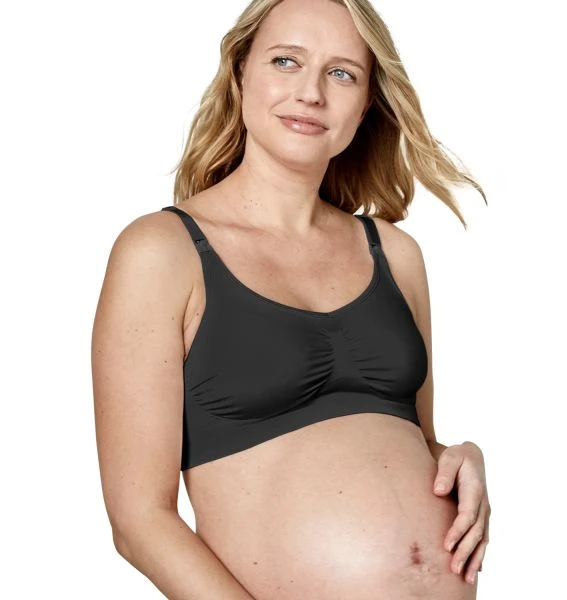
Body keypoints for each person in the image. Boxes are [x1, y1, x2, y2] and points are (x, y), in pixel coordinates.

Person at [91, 0, 491, 598]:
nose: (311, 93)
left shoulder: (395, 254)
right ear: (240, 74)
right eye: (286, 61)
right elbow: (139, 520)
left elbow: (415, 438)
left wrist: (462, 457)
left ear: (366, 103)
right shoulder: (162, 252)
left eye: (342, 73)